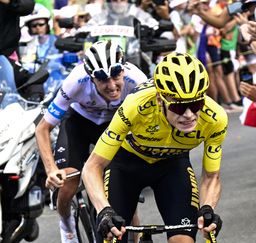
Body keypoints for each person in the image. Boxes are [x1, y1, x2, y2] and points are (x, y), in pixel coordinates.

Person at [82, 52, 227, 243]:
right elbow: (92, 167)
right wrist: (104, 210)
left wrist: (207, 208)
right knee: (112, 237)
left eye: (196, 104)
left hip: (172, 167)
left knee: (183, 240)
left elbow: (211, 177)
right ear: (160, 100)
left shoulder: (215, 118)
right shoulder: (136, 106)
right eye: (178, 107)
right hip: (126, 165)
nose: (190, 115)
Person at [35, 40, 147, 243]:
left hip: (115, 126)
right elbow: (43, 128)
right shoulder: (74, 82)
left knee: (122, 189)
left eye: (115, 75)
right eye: (102, 79)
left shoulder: (137, 80)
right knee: (68, 182)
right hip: (79, 124)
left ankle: (134, 237)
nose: (112, 86)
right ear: (90, 77)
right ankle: (66, 222)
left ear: (123, 69)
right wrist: (51, 170)